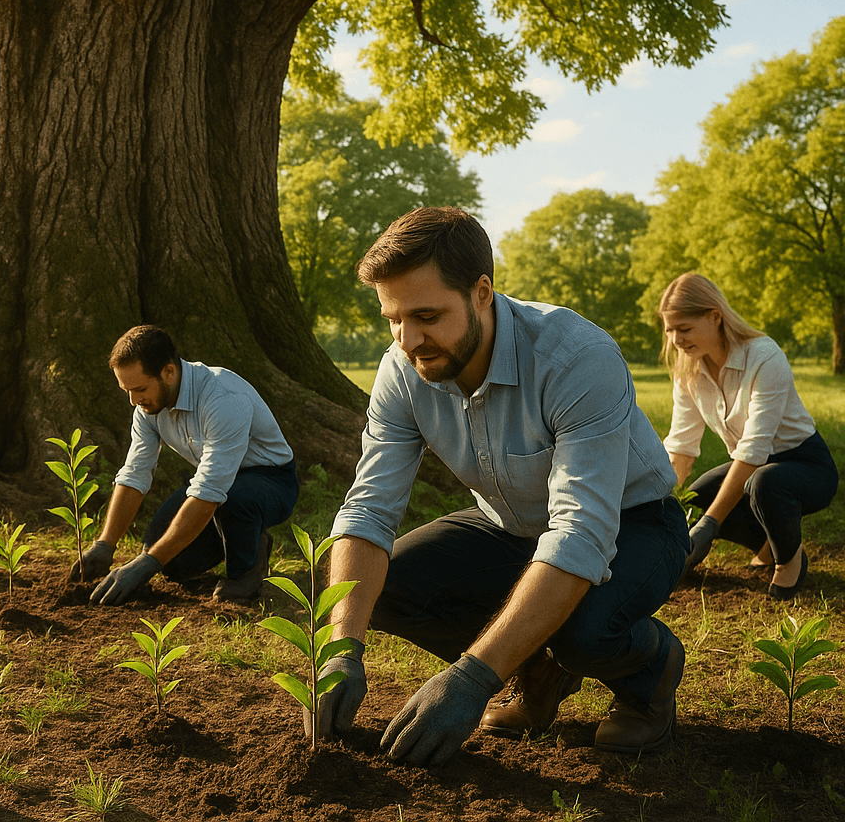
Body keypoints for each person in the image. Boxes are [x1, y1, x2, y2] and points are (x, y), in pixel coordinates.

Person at [312, 207, 688, 767]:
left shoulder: (575, 358)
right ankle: (537, 669)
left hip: (632, 523)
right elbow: (368, 510)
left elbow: (582, 532)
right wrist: (341, 647)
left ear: (482, 292)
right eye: (393, 318)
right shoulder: (402, 369)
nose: (409, 340)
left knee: (584, 634)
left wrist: (473, 677)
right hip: (509, 523)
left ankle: (649, 670)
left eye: (427, 315)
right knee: (372, 591)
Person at [76, 325, 299, 606]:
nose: (134, 400)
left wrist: (145, 564)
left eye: (140, 388)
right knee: (167, 558)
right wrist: (105, 544)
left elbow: (210, 490)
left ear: (168, 372)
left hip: (271, 481)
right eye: (127, 390)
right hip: (218, 484)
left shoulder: (223, 398)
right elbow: (135, 473)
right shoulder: (146, 408)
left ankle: (246, 573)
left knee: (233, 500)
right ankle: (248, 538)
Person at [660, 273, 838, 600]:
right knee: (697, 499)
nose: (676, 340)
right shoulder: (688, 371)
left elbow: (755, 449)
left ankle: (789, 559)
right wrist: (661, 508)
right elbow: (681, 448)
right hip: (753, 464)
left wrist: (710, 526)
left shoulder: (764, 356)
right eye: (669, 329)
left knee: (765, 483)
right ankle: (767, 545)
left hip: (805, 465)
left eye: (684, 329)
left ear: (715, 317)